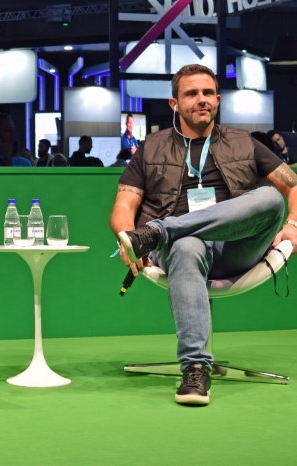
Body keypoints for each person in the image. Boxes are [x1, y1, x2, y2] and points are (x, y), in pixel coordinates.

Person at [111, 64, 297, 407]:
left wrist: (294, 223)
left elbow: (293, 186)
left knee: (271, 199)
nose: (202, 100)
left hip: (234, 248)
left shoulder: (245, 142)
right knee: (186, 244)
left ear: (218, 98)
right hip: (182, 251)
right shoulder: (151, 148)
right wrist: (126, 236)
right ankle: (195, 367)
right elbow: (124, 205)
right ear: (174, 103)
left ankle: (158, 232)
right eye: (191, 93)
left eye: (208, 93)